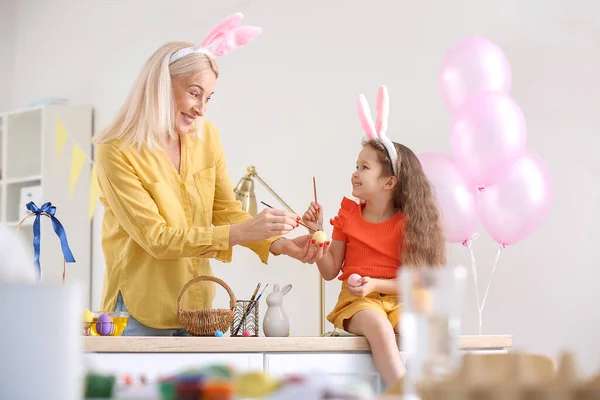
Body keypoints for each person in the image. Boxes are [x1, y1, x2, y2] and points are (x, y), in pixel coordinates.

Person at [92, 13, 325, 336]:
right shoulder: (116, 151)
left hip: (197, 306)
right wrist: (241, 233)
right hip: (138, 312)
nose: (201, 108)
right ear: (161, 86)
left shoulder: (206, 136)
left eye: (208, 98)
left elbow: (225, 210)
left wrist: (280, 244)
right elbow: (156, 239)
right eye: (194, 93)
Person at [302, 86, 446, 387]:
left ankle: (435, 389)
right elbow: (330, 271)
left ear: (389, 182)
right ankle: (403, 393)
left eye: (364, 167)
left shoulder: (409, 224)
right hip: (357, 304)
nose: (355, 172)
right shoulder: (348, 216)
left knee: (418, 328)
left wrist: (376, 285)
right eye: (356, 166)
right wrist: (316, 233)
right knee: (379, 326)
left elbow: (417, 282)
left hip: (400, 299)